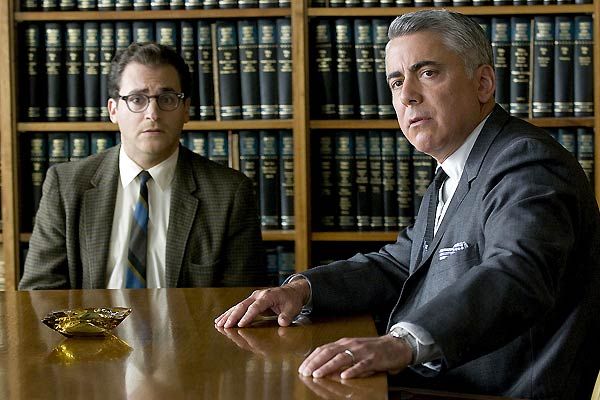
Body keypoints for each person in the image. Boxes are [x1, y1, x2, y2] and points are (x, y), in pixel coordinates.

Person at [215, 10, 600, 399]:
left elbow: (517, 274)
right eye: (396, 81)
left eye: (427, 73)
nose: (406, 95)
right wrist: (302, 289)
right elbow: (400, 265)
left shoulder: (526, 162)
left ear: (483, 83)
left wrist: (400, 343)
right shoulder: (456, 169)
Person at [20, 42, 265, 290]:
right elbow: (39, 294)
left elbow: (242, 301)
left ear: (186, 110)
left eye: (167, 99)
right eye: (137, 99)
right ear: (113, 110)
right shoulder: (66, 186)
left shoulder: (229, 193)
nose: (153, 114)